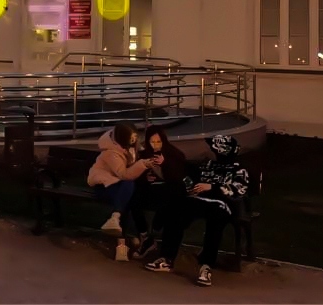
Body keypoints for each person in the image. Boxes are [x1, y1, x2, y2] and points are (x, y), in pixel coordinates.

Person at [145, 134, 250, 287]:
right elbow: (188, 175)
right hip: (199, 200)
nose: (212, 151)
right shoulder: (208, 165)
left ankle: (206, 266)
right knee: (176, 209)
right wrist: (187, 184)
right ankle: (167, 258)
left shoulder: (238, 169)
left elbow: (239, 190)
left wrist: (212, 187)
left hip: (221, 204)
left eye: (215, 149)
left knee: (216, 221)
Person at [87, 122, 156, 261]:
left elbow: (135, 164)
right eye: (131, 138)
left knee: (127, 196)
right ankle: (125, 241)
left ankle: (117, 222)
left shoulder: (131, 146)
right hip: (104, 186)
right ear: (123, 138)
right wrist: (143, 164)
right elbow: (124, 174)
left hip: (120, 185)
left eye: (135, 136)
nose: (134, 140)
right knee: (127, 195)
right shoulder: (111, 152)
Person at [130, 125, 188, 260]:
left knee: (168, 199)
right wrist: (145, 177)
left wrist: (165, 164)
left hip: (170, 191)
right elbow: (136, 175)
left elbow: (178, 179)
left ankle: (152, 237)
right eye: (152, 142)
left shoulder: (174, 154)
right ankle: (145, 236)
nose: (155, 145)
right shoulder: (145, 154)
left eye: (158, 141)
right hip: (152, 190)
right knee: (134, 198)